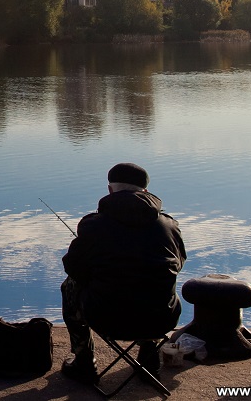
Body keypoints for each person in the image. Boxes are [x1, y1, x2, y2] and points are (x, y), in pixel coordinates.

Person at [60, 162, 186, 384]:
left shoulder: (93, 225)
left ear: (110, 189)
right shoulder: (169, 226)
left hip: (105, 318)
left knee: (70, 285)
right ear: (145, 191)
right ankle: (148, 359)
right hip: (161, 319)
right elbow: (179, 263)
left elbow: (73, 267)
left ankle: (84, 362)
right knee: (155, 281)